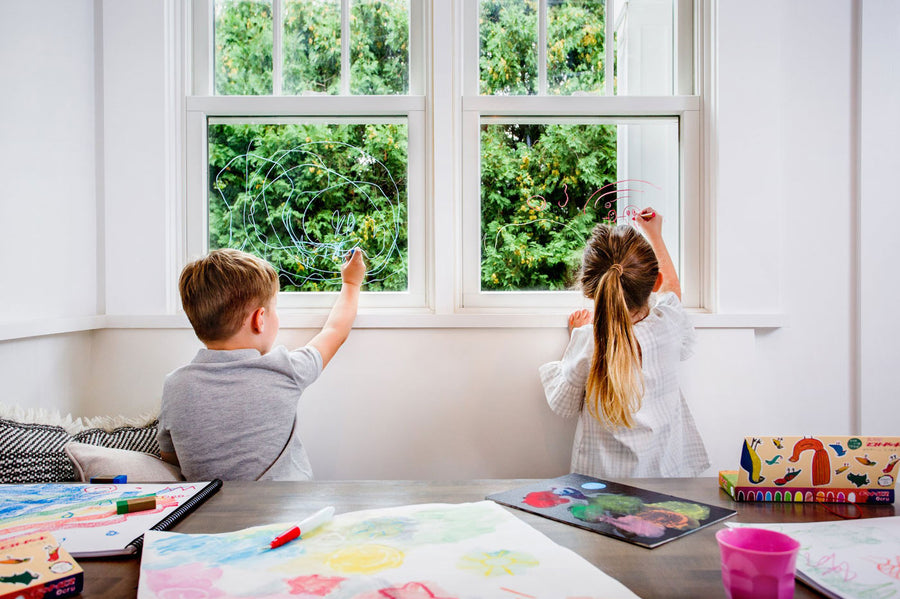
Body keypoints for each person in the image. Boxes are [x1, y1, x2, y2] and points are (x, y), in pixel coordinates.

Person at [157, 247, 365, 481]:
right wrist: (351, 283)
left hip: (210, 514)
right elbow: (335, 331)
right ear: (259, 319)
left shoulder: (175, 385)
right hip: (288, 511)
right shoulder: (285, 370)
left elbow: (170, 456)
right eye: (274, 309)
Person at [539, 208, 708, 478]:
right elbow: (671, 292)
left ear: (590, 289)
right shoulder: (667, 325)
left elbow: (564, 403)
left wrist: (579, 333)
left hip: (603, 489)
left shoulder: (589, 340)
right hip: (668, 482)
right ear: (655, 282)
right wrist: (655, 236)